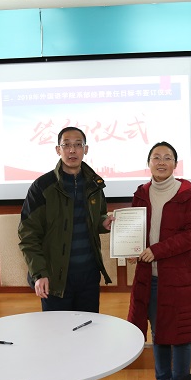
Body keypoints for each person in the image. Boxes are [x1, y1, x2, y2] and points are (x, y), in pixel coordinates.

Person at [127, 141, 191, 380]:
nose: (161, 162)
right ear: (148, 163)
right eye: (156, 157)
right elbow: (136, 231)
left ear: (175, 164)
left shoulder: (188, 194)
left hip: (179, 279)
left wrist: (156, 251)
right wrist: (132, 249)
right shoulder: (141, 194)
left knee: (180, 336)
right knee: (158, 333)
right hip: (148, 278)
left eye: (167, 158)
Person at [18, 126, 114, 313]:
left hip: (88, 275)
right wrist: (39, 273)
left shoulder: (94, 184)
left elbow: (98, 216)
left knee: (88, 326)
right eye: (66, 145)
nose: (72, 150)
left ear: (85, 149)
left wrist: (103, 222)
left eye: (78, 145)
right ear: (58, 149)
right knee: (57, 329)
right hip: (55, 277)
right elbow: (28, 235)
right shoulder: (42, 186)